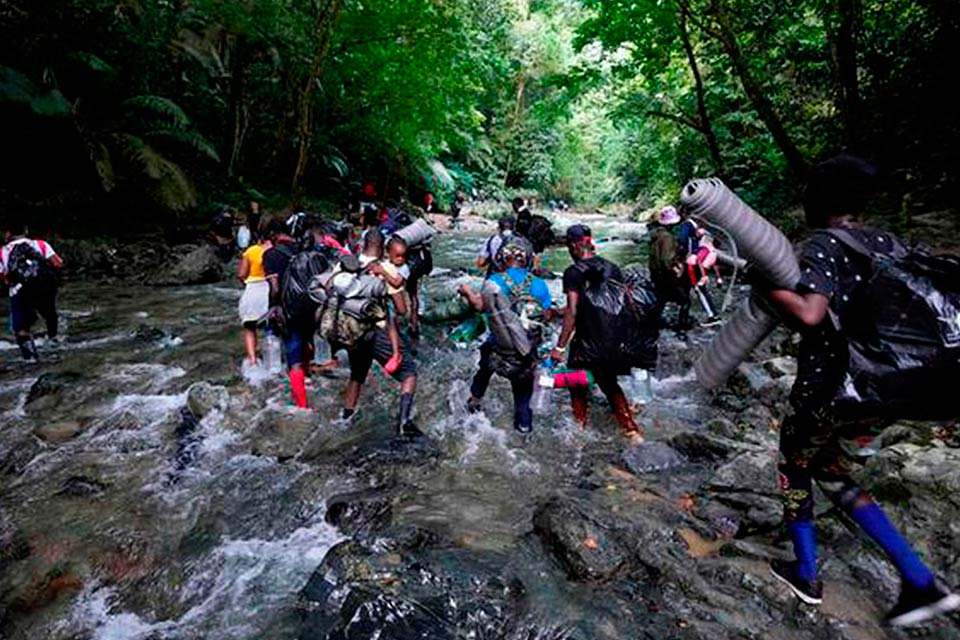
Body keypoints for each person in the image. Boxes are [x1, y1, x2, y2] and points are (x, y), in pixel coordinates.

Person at [760, 155, 960, 625]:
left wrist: (768, 287)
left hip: (829, 386)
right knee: (833, 473)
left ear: (821, 200)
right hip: (881, 392)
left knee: (793, 469)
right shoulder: (885, 243)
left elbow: (810, 313)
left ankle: (806, 574)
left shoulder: (825, 244)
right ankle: (919, 579)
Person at [549, 225, 644, 443]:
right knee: (609, 383)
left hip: (587, 341)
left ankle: (579, 430)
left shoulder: (574, 272)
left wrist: (560, 347)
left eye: (568, 247)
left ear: (573, 245)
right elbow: (611, 304)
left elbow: (573, 310)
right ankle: (631, 430)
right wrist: (555, 312)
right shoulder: (612, 268)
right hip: (614, 339)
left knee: (576, 383)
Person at [459, 236, 552, 434]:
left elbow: (480, 307)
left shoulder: (495, 281)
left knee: (483, 370)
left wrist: (467, 293)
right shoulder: (540, 285)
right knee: (522, 398)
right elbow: (546, 317)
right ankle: (524, 431)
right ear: (527, 259)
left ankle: (474, 405)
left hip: (497, 350)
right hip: (525, 355)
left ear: (502, 258)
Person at [332, 249, 420, 437]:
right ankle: (404, 422)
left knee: (357, 376)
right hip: (378, 332)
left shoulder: (346, 267)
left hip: (352, 332)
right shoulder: (385, 269)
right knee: (409, 374)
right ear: (383, 250)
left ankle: (345, 419)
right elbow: (400, 310)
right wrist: (396, 351)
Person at [0, 220, 62, 361]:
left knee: (21, 329)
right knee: (50, 315)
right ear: (26, 231)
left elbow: (4, 277)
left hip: (19, 292)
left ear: (7, 234)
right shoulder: (41, 244)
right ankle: (54, 343)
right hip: (44, 287)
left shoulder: (2, 252)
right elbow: (58, 263)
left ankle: (31, 361)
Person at [649, 206, 692, 337]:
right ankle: (681, 330)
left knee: (661, 300)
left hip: (657, 275)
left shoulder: (656, 235)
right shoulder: (667, 237)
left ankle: (652, 325)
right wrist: (677, 269)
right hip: (667, 276)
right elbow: (667, 260)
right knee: (685, 301)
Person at [237, 231, 272, 367]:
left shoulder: (251, 251)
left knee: (250, 327)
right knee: (272, 327)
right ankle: (274, 358)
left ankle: (253, 360)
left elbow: (241, 274)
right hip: (269, 289)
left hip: (253, 289)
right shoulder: (275, 250)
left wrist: (246, 284)